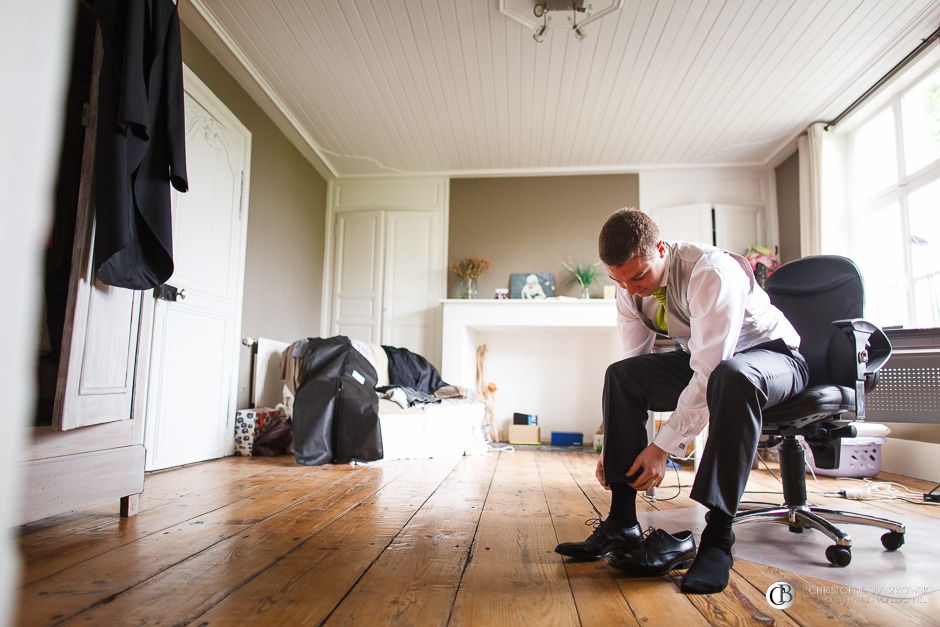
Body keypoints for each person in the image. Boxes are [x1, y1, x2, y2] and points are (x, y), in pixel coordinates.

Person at [554, 208, 808, 594]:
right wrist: (614, 448)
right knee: (622, 376)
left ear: (661, 249)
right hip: (714, 363)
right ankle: (622, 523)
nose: (630, 289)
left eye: (638, 276)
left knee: (731, 377)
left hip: (774, 358)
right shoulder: (629, 288)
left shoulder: (711, 272)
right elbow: (635, 363)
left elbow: (712, 369)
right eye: (617, 279)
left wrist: (663, 447)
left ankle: (718, 540)